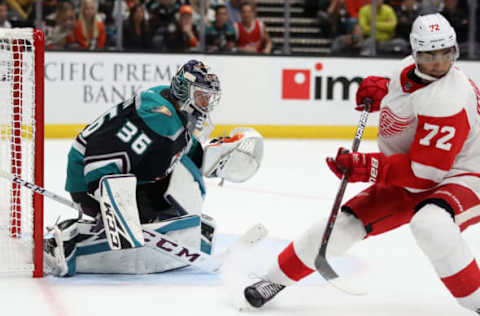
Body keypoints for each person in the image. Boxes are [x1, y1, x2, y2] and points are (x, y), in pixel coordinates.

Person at [244, 13, 480, 314]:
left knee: (431, 223)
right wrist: (385, 92)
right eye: (430, 55)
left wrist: (367, 166)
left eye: (446, 54)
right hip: (416, 170)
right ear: (415, 53)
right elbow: (411, 103)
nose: (439, 63)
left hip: (465, 175)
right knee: (340, 225)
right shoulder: (407, 71)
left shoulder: (450, 97)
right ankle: (273, 280)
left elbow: (424, 176)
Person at [43, 60, 263, 276]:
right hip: (91, 180)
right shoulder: (158, 116)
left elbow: (178, 148)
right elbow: (106, 147)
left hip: (131, 180)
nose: (205, 103)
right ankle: (68, 241)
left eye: (208, 98)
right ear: (184, 91)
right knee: (141, 229)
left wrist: (211, 159)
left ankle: (155, 219)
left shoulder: (173, 109)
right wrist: (109, 195)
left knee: (167, 213)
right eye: (201, 96)